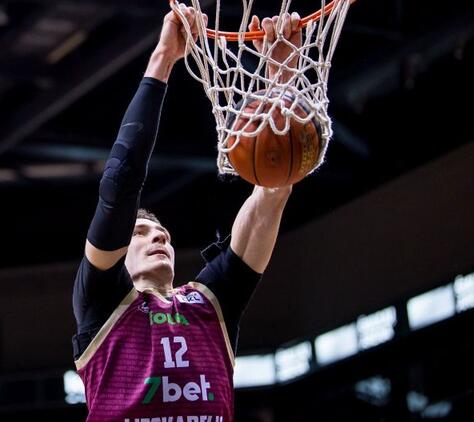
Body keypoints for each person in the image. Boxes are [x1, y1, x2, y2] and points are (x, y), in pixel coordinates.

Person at [72, 5, 301, 421]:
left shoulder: (210, 303)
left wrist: (282, 85)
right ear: (119, 252)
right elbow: (120, 184)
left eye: (162, 233)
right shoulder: (101, 303)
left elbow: (273, 191)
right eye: (140, 232)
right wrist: (163, 57)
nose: (159, 236)